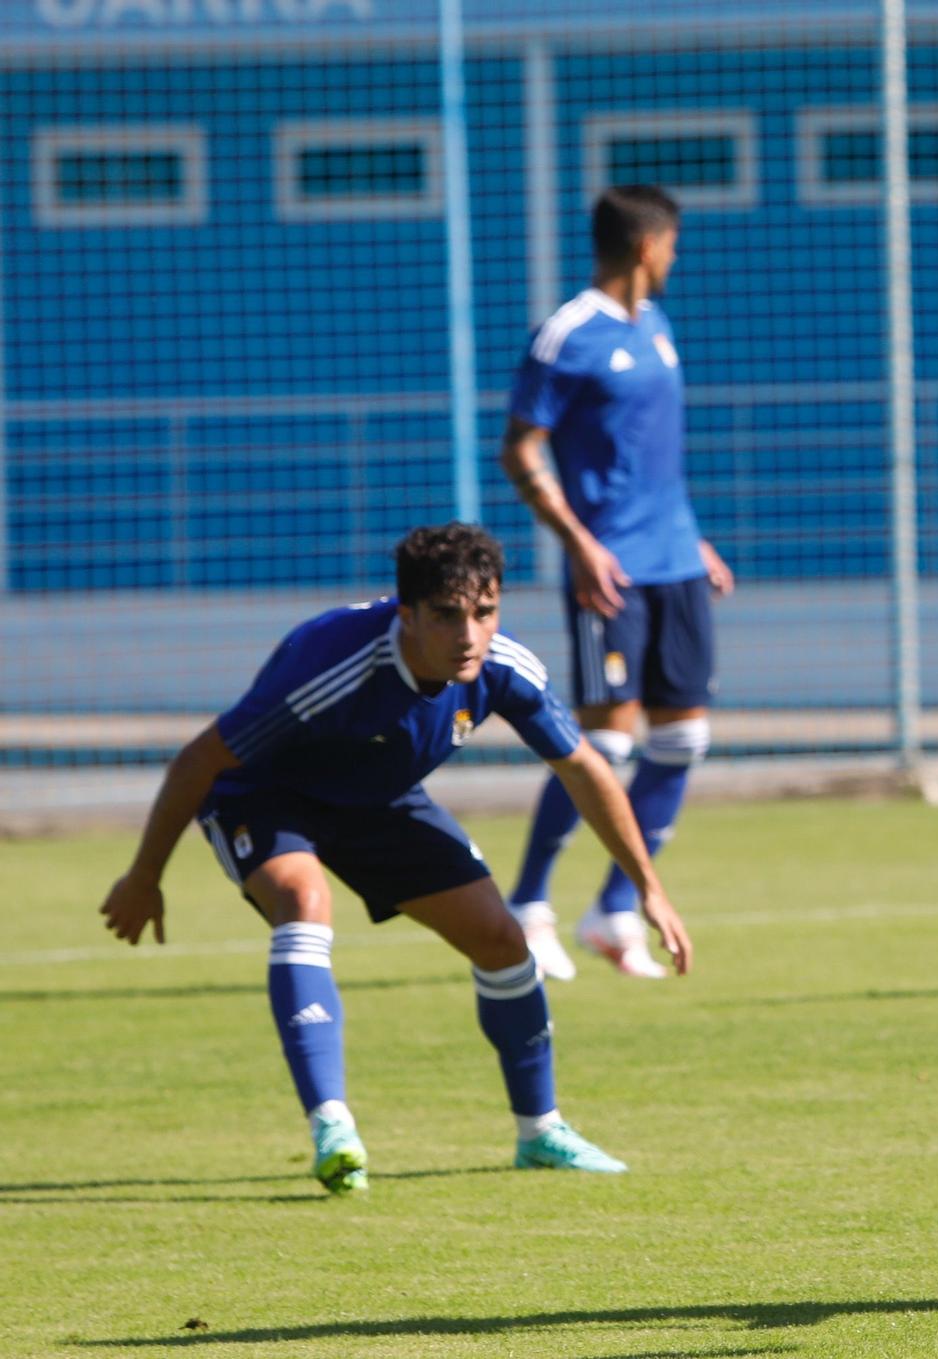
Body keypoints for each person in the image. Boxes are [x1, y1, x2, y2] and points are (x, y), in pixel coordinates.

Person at [98, 524, 692, 1195]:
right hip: (266, 793)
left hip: (378, 797)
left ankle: (541, 1130)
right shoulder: (332, 666)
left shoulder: (501, 670)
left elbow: (583, 768)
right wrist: (145, 875)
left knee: (501, 938)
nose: (469, 634)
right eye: (447, 615)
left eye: (485, 612)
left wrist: (649, 887)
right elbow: (200, 760)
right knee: (303, 900)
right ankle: (333, 1126)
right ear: (407, 614)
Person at [500, 184, 733, 981]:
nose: (676, 256)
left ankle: (614, 907)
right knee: (600, 741)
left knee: (681, 740)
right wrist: (579, 544)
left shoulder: (657, 326)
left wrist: (693, 538)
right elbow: (520, 450)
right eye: (673, 243)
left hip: (675, 563)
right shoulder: (568, 333)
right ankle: (527, 903)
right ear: (646, 246)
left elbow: (650, 455)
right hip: (613, 574)